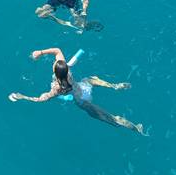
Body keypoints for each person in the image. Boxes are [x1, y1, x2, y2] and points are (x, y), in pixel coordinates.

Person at [8, 47, 146, 135]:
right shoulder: (68, 71)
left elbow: (40, 99)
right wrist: (41, 52)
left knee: (108, 117)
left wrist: (23, 96)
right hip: (83, 87)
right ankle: (114, 86)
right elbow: (57, 50)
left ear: (55, 73)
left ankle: (135, 128)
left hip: (83, 101)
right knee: (91, 79)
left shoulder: (56, 89)